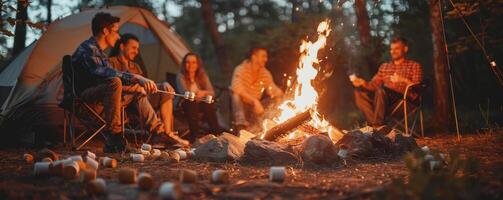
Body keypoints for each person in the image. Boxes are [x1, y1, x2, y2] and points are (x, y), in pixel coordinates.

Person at [70, 12, 188, 152]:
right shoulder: (88, 48)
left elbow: (107, 77)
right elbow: (102, 73)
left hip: (102, 95)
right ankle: (115, 136)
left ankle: (159, 133)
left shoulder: (100, 53)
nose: (118, 36)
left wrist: (136, 87)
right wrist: (136, 78)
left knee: (132, 90)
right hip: (85, 97)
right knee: (115, 82)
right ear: (105, 31)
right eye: (116, 31)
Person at [108, 33, 175, 135]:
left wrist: (161, 86)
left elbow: (145, 87)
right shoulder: (111, 62)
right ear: (122, 46)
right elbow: (111, 87)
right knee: (139, 93)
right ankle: (158, 131)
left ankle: (168, 133)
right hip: (122, 101)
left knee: (165, 88)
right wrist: (135, 88)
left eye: (137, 49)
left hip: (141, 100)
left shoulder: (135, 66)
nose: (136, 51)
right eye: (133, 48)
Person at [350, 37, 423, 129]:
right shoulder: (384, 67)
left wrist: (403, 80)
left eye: (396, 48)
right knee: (359, 93)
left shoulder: (414, 66)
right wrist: (363, 83)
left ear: (405, 49)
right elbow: (373, 85)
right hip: (384, 103)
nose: (393, 51)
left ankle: (376, 127)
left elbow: (418, 88)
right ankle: (376, 126)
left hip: (404, 102)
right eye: (391, 49)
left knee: (381, 91)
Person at [230, 47, 284, 130]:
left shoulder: (265, 73)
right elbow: (236, 88)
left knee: (275, 99)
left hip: (255, 107)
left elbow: (272, 89)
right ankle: (240, 127)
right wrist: (254, 101)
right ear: (254, 57)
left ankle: (271, 124)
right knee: (235, 95)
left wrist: (280, 94)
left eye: (266, 57)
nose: (266, 59)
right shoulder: (240, 69)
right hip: (243, 105)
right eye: (263, 56)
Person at [176, 53, 225, 141]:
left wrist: (203, 92)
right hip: (185, 103)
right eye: (188, 62)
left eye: (193, 62)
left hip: (200, 103)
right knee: (191, 102)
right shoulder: (181, 76)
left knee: (208, 104)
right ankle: (195, 136)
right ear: (184, 64)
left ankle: (217, 133)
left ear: (198, 64)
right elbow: (184, 93)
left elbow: (212, 92)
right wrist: (195, 94)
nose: (191, 65)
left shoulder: (202, 75)